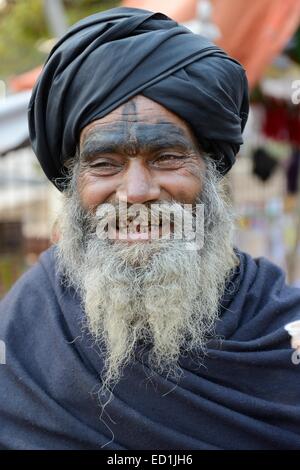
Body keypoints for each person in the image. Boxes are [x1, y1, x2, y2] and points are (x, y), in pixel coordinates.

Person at [0, 7, 299, 450]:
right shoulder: (24, 329)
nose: (136, 192)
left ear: (211, 171)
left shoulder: (283, 336)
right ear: (73, 180)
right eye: (104, 164)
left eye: (166, 158)